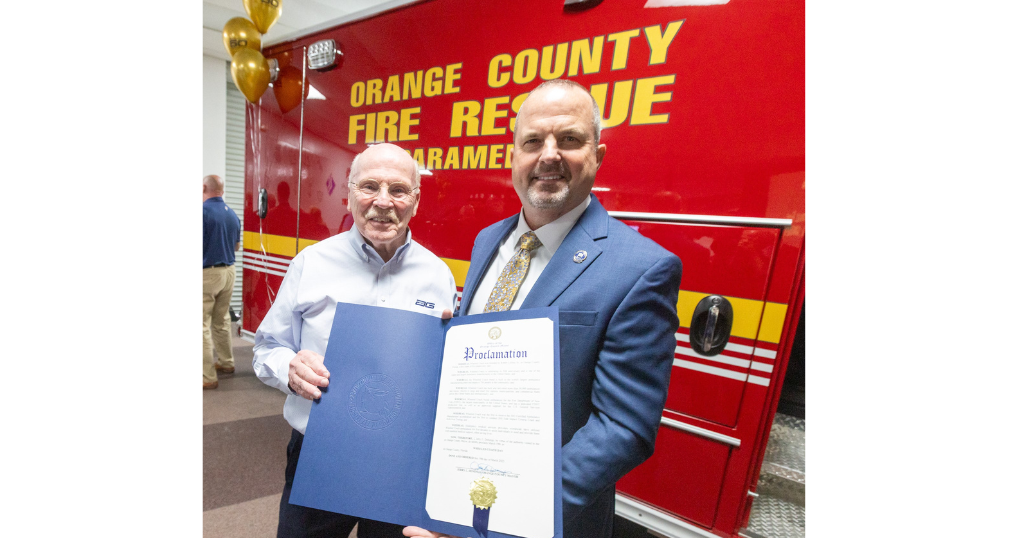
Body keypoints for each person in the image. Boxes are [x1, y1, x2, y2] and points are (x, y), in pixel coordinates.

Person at [404, 80, 682, 538]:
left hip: (548, 520)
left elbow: (624, 427)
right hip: (454, 485)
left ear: (598, 155)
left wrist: (502, 512)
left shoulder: (641, 269)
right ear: (514, 155)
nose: (548, 155)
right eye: (533, 141)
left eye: (569, 139)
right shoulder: (488, 240)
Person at [253, 143, 457, 538]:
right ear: (349, 193)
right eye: (370, 187)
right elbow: (266, 349)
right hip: (320, 454)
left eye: (398, 190)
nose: (383, 202)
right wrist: (289, 369)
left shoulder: (438, 275)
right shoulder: (311, 264)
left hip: (401, 461)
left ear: (415, 200)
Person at [203, 174, 241, 390]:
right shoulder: (232, 214)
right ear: (222, 190)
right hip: (229, 272)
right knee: (222, 320)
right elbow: (236, 246)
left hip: (207, 273)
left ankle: (206, 376)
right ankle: (227, 363)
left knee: (201, 326)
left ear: (203, 187)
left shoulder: (202, 212)